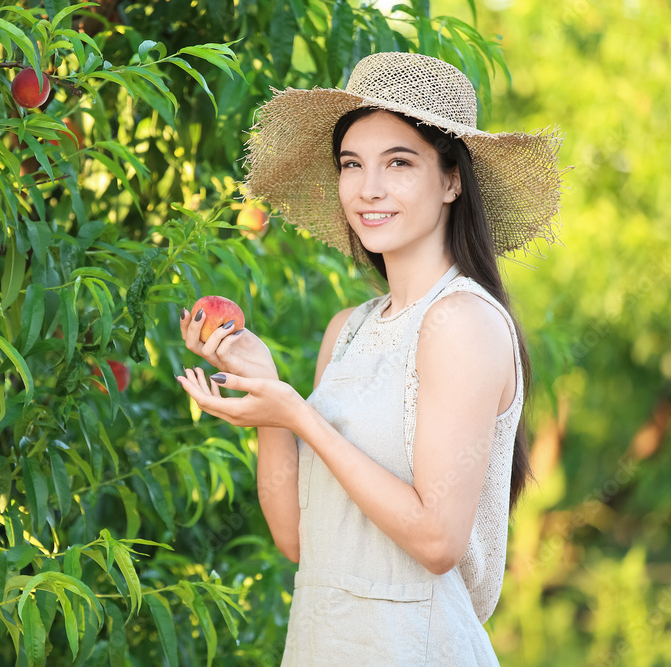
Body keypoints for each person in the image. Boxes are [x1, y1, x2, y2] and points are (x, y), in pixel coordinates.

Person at [176, 51, 565, 664]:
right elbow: (299, 539)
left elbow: (437, 541)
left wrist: (301, 418)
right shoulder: (348, 330)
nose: (368, 188)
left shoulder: (462, 321)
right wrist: (269, 395)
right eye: (351, 164)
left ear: (451, 180)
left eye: (399, 163)